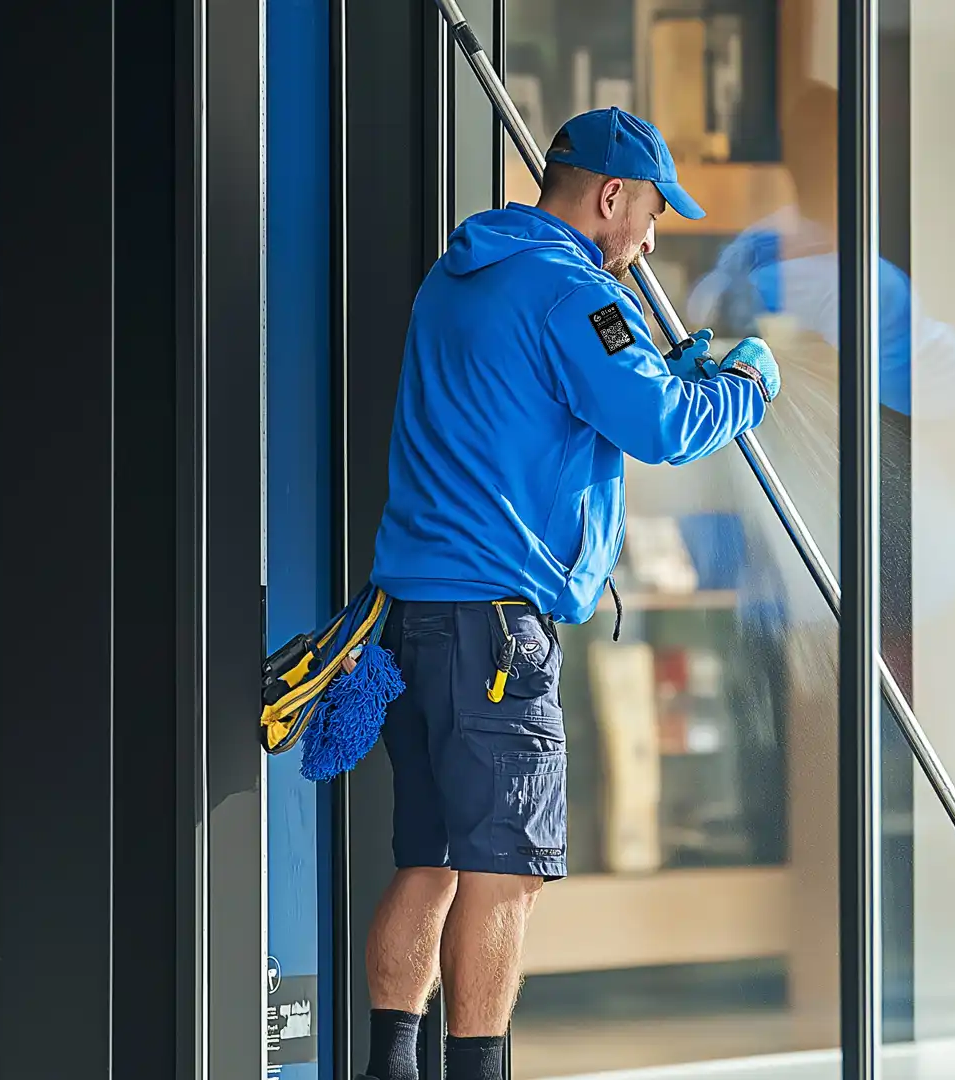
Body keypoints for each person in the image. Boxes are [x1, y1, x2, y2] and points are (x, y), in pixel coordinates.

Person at [359, 106, 780, 1080]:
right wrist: (743, 382)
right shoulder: (570, 290)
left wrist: (663, 362)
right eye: (651, 211)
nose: (652, 234)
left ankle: (389, 1066)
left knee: (427, 862)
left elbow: (544, 401)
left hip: (412, 614)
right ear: (608, 195)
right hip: (497, 631)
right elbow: (663, 428)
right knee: (506, 875)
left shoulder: (459, 273)